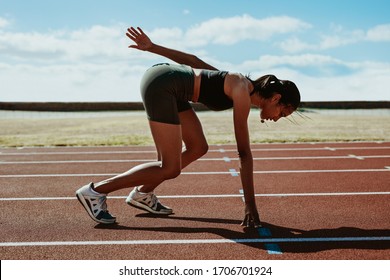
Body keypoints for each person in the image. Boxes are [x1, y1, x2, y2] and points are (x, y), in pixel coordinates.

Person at [76, 26, 301, 228]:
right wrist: (250, 206)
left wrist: (152, 47)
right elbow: (243, 153)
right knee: (170, 167)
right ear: (275, 98)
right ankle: (95, 192)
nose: (278, 118)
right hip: (163, 84)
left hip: (172, 88)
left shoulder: (240, 84)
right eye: (283, 113)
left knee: (198, 147)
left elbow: (194, 61)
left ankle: (142, 194)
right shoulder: (242, 91)